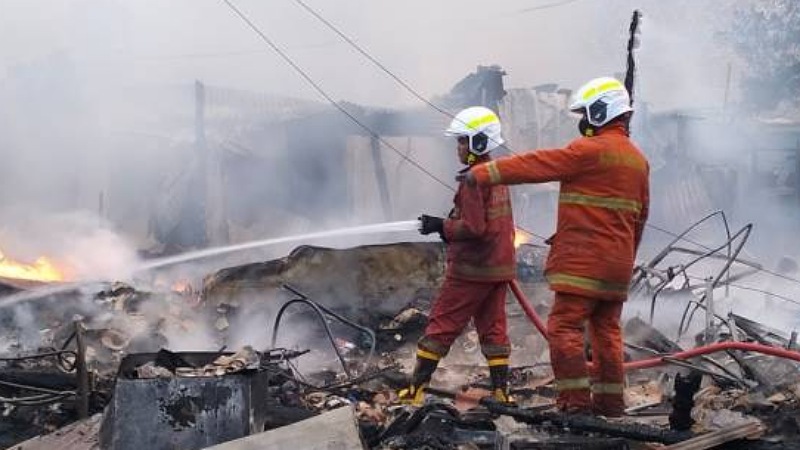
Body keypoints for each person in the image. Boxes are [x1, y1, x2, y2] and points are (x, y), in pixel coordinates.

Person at [462, 77, 650, 417]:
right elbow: (640, 219)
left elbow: (537, 164)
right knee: (607, 332)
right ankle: (611, 405)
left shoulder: (589, 151)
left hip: (584, 263)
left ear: (599, 112)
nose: (581, 119)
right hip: (617, 267)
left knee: (564, 328)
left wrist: (484, 173)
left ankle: (574, 405)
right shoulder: (638, 160)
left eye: (584, 112)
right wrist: (625, 261)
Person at [400, 106, 516, 406]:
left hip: (472, 270)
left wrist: (441, 226)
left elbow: (475, 227)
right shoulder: (497, 174)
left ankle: (416, 391)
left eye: (463, 141)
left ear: (479, 142)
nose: (459, 148)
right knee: (494, 328)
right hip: (498, 268)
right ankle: (502, 392)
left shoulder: (473, 180)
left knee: (442, 324)